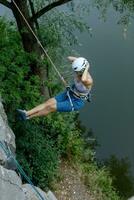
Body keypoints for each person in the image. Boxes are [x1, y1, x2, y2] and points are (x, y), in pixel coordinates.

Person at [17, 56, 93, 120]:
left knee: (51, 107)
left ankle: (28, 117)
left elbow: (83, 79)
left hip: (76, 102)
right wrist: (81, 61)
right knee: (49, 102)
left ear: (82, 70)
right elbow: (69, 58)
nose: (76, 73)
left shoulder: (88, 80)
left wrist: (87, 67)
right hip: (70, 93)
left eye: (77, 72)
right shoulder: (79, 70)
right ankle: (26, 113)